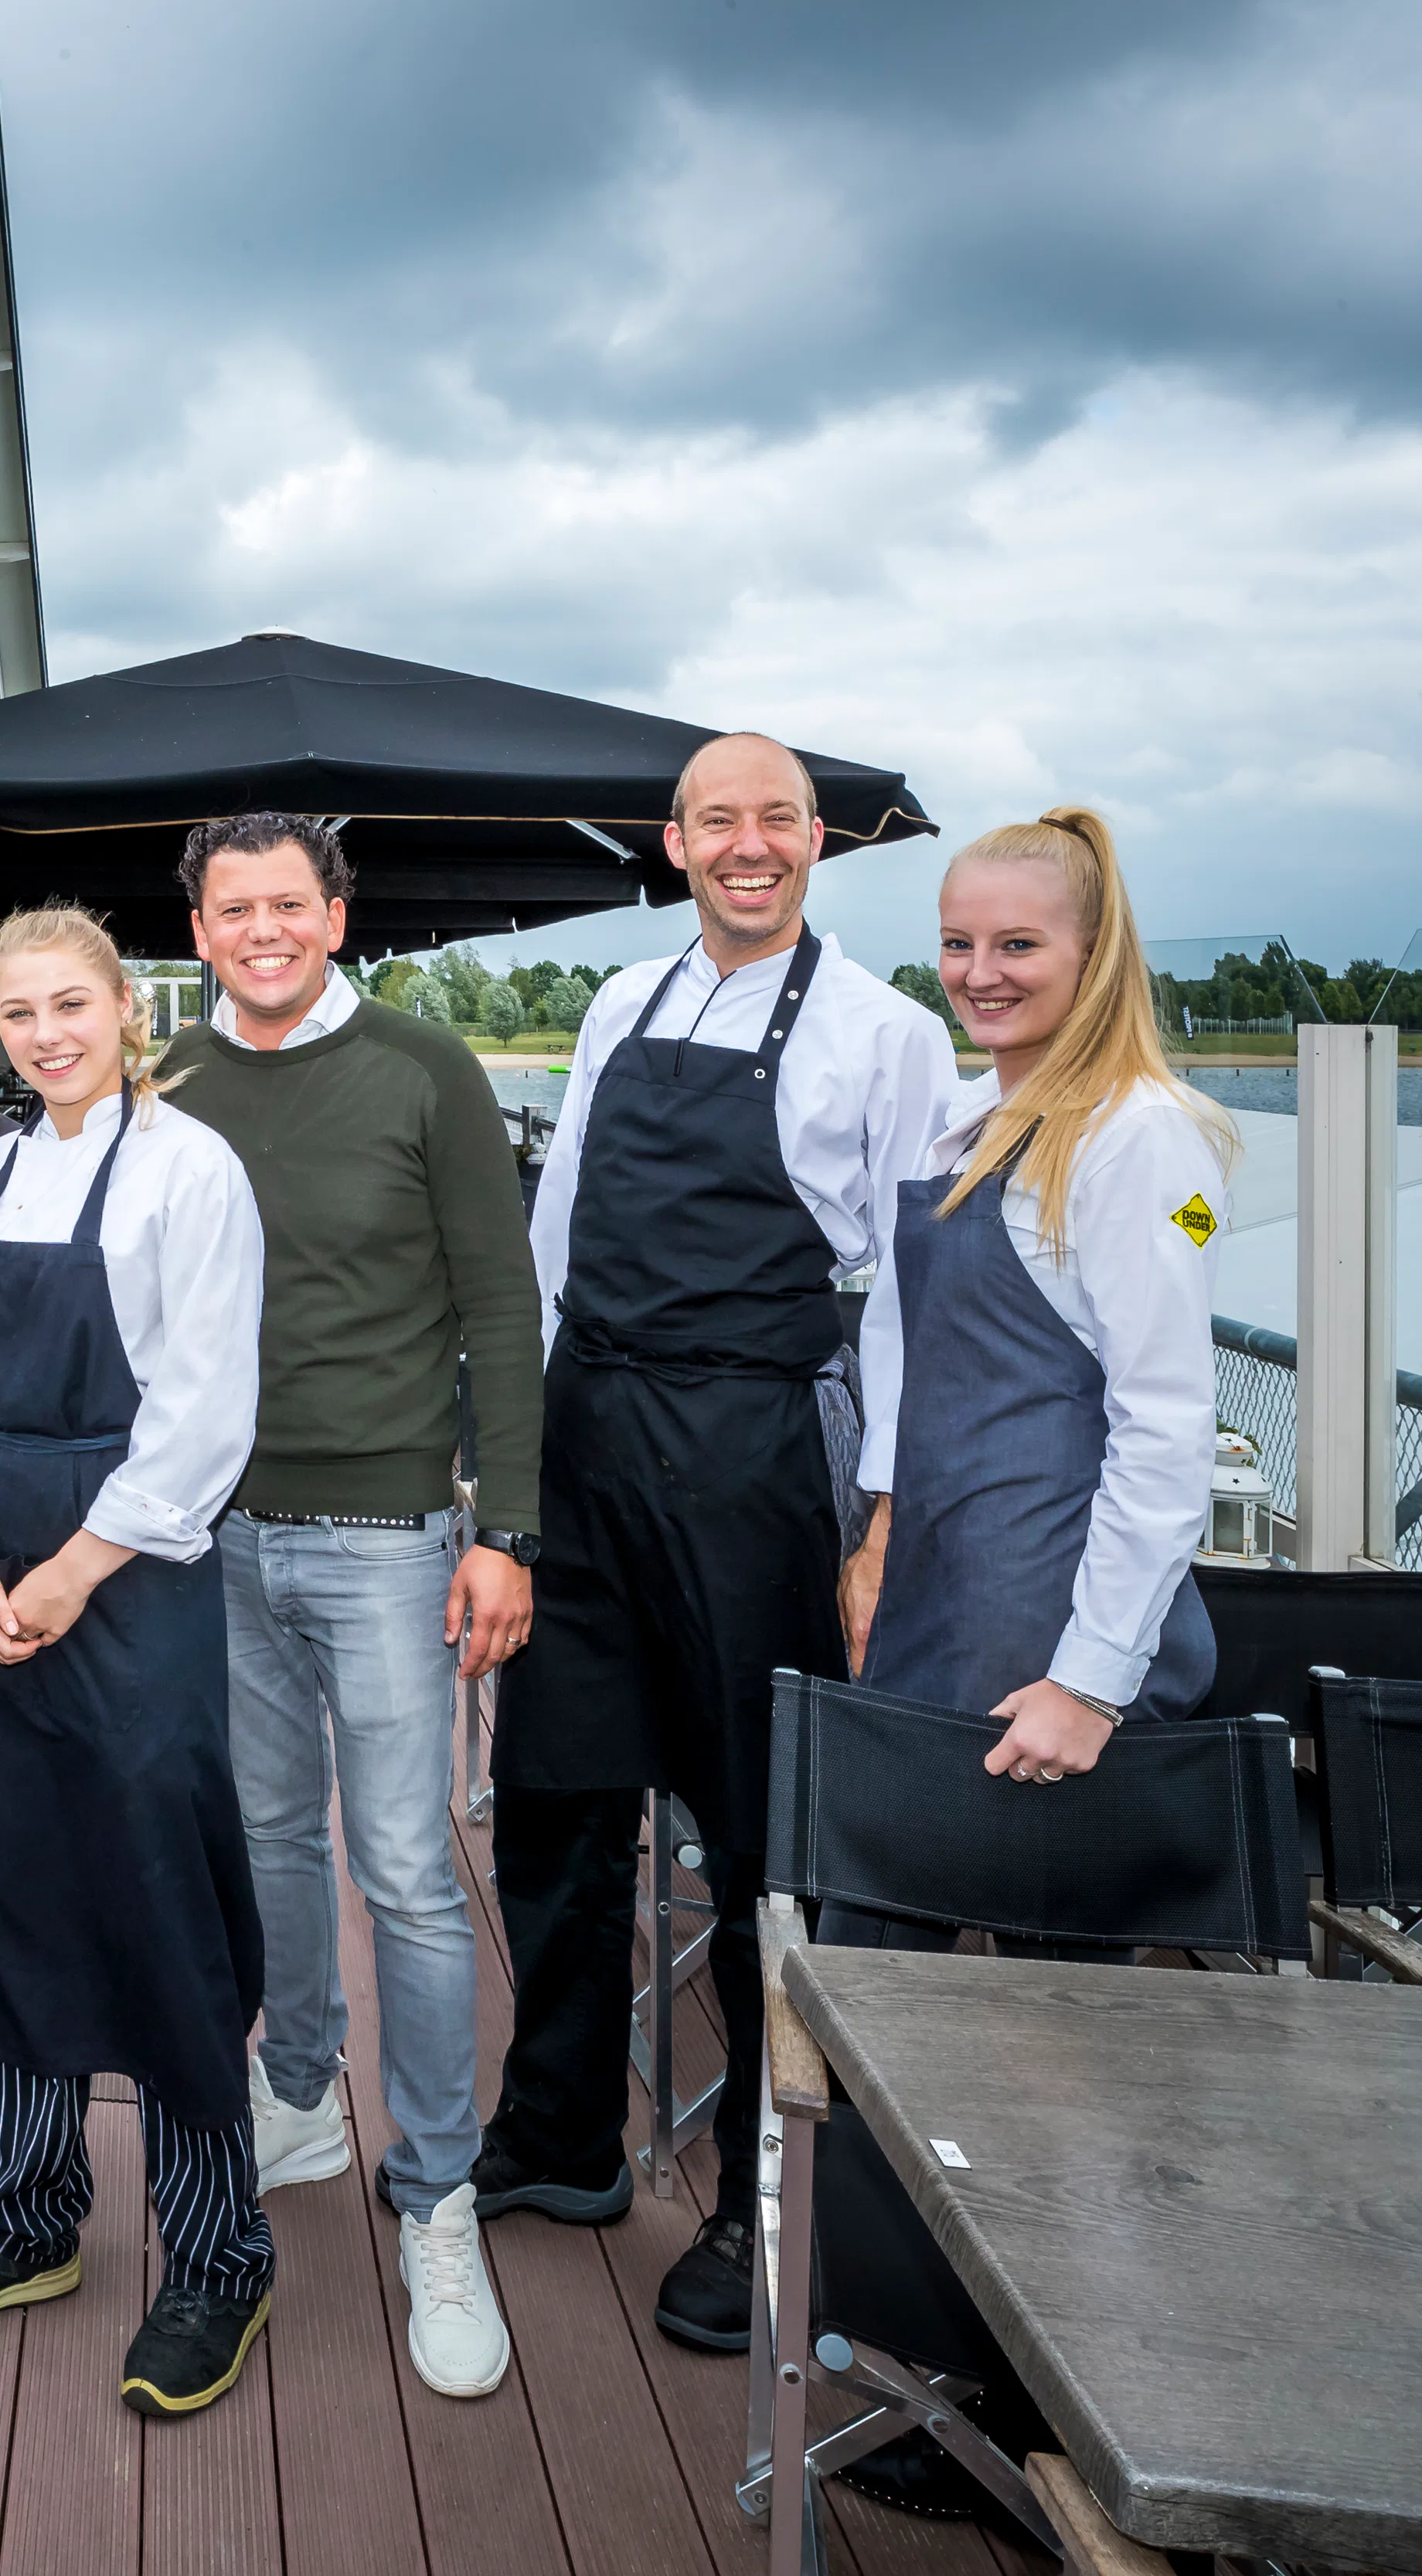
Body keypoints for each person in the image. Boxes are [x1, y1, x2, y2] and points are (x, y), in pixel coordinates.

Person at [486, 733, 956, 2355]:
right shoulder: (620, 1005)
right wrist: (512, 1473)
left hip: (757, 1451)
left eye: (774, 819)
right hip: (588, 1436)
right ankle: (558, 2136)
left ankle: (767, 2194)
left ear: (814, 839)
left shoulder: (889, 1034)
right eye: (715, 821)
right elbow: (551, 1244)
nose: (745, 845)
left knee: (759, 1841)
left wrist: (881, 1511)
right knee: (553, 1797)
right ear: (670, 841)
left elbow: (902, 1296)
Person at [811, 803, 1233, 2520]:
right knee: (908, 2008)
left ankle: (1074, 2431)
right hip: (938, 1608)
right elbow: (914, 1354)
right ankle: (951, 2375)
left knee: (1059, 2043)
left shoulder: (1149, 1141)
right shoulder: (980, 1120)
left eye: (1017, 947)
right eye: (957, 942)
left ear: (1089, 952)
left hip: (1051, 1646)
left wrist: (1092, 1676)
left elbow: (1167, 1431)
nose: (978, 975)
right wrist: (884, 1530)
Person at [0, 906, 277, 2422]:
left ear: (125, 1006)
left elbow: (200, 1416)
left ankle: (213, 2256)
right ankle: (24, 2215)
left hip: (131, 1587)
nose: (45, 1033)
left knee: (155, 1909)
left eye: (69, 1005)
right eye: (18, 1011)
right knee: (6, 1896)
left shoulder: (190, 1171)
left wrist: (66, 1569)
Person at [151, 811, 540, 2401]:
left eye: (286, 905)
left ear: (334, 914)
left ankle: (435, 2191)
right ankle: (299, 2090)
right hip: (210, 1533)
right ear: (197, 926)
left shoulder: (422, 1068)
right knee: (264, 1842)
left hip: (387, 1529)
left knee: (407, 1869)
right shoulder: (161, 1075)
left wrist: (503, 1524)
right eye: (230, 908)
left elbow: (502, 1301)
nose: (259, 929)